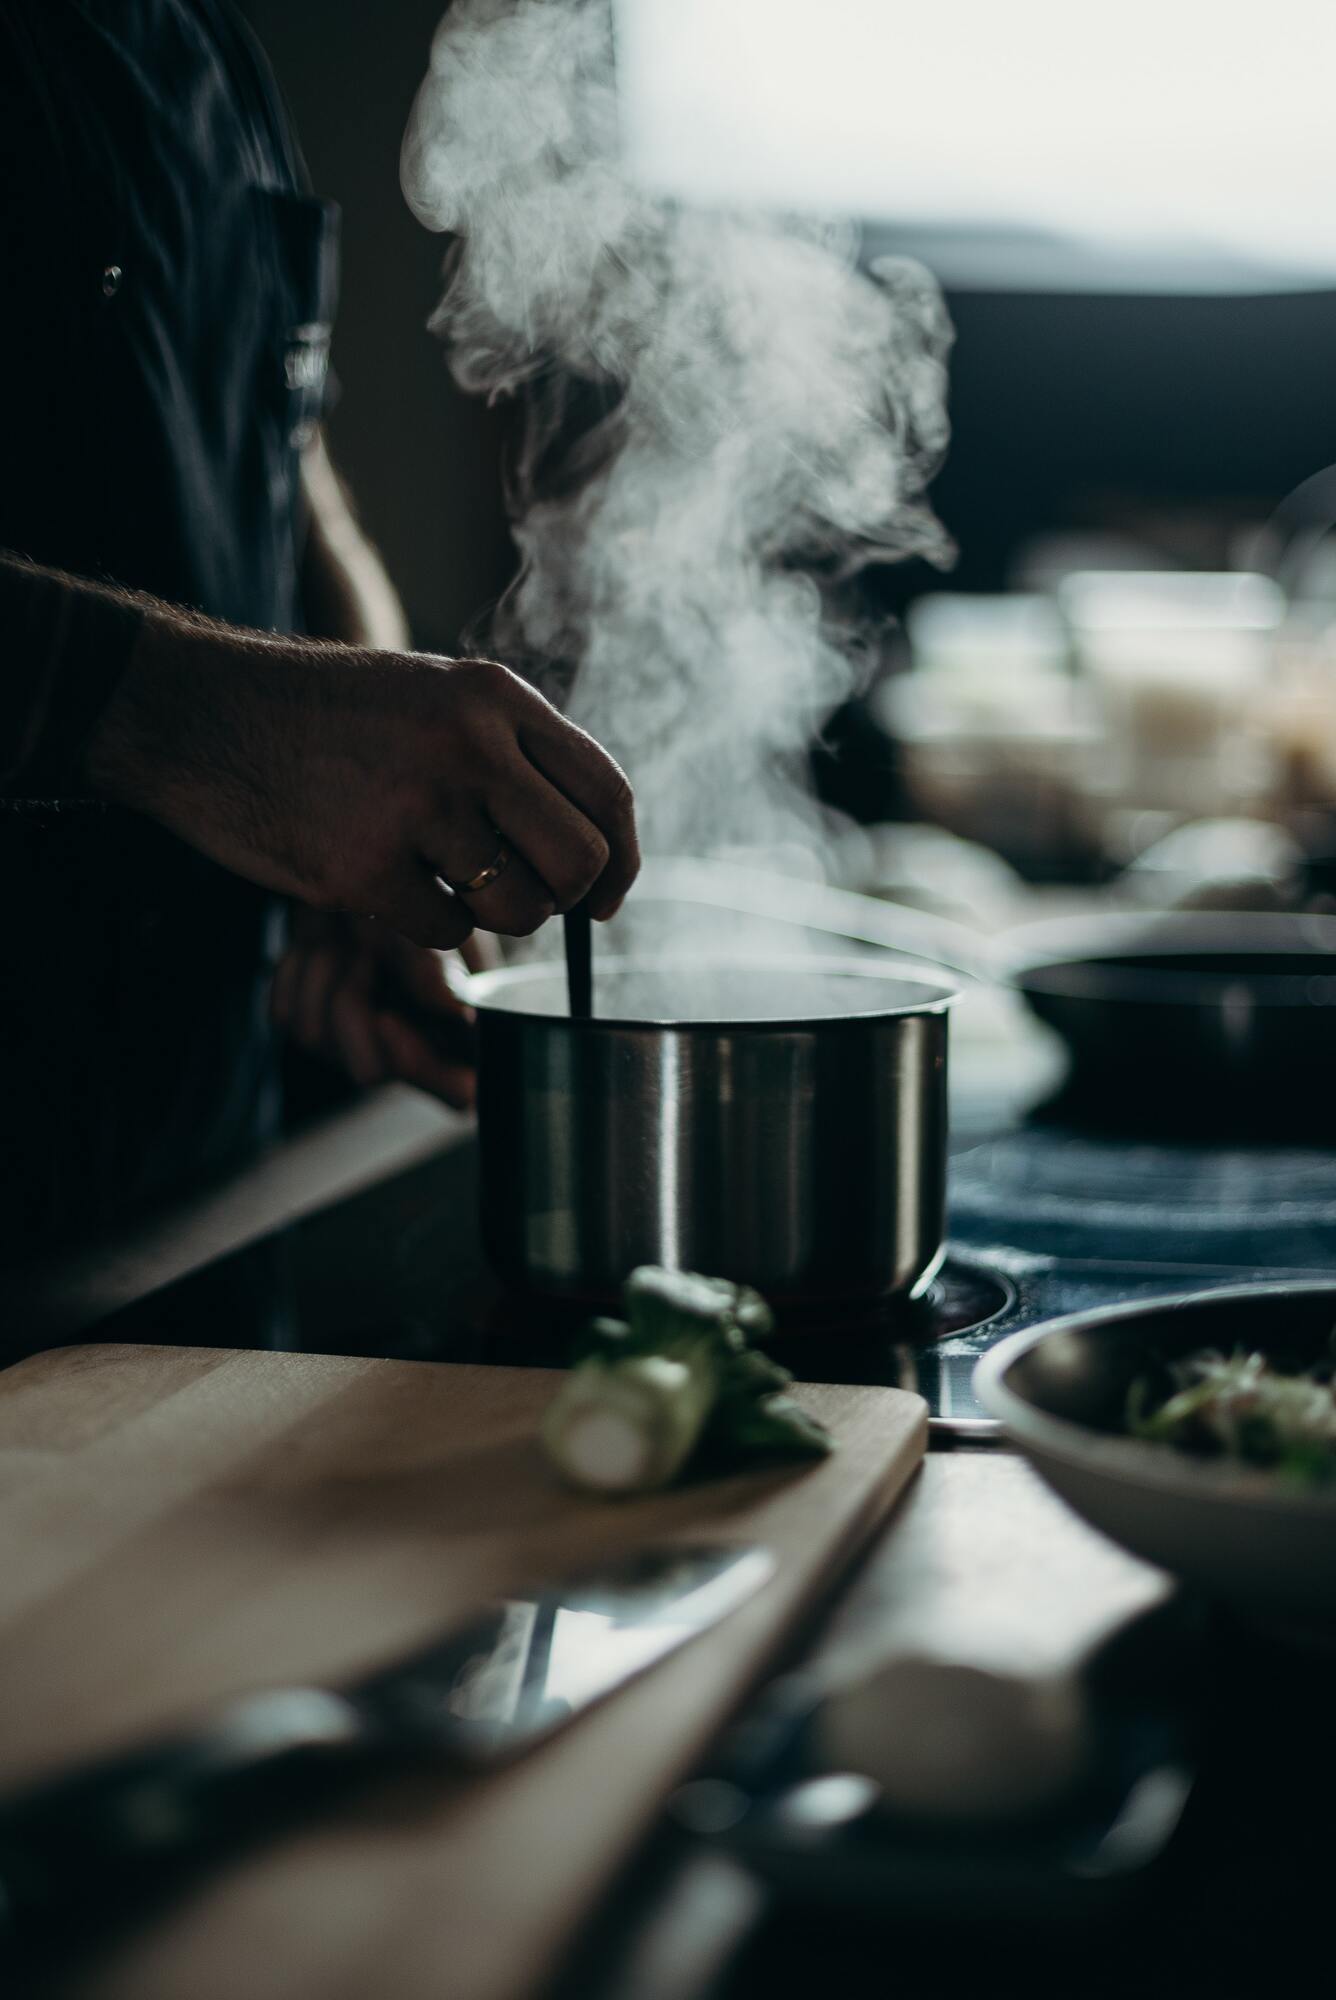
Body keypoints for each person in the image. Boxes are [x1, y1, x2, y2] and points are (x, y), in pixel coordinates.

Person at [0, 0, 638, 1266]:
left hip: (181, 1167)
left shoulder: (194, 43)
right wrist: (218, 728)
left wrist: (365, 836)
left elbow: (285, 453)